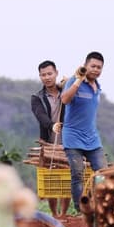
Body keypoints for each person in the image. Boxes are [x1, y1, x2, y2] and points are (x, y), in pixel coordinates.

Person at [56, 51, 107, 212]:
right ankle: (81, 209)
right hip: (73, 137)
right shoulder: (74, 80)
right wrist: (78, 80)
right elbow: (64, 99)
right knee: (77, 175)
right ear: (85, 66)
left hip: (92, 138)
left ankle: (100, 205)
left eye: (99, 67)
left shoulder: (97, 87)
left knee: (104, 173)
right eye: (93, 66)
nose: (96, 70)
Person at [31, 60, 70, 217]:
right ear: (40, 76)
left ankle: (64, 213)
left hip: (68, 141)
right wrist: (51, 125)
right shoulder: (37, 97)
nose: (46, 77)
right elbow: (40, 115)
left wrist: (70, 83)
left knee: (67, 178)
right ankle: (54, 214)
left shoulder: (66, 92)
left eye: (49, 74)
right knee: (52, 179)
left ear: (56, 73)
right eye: (43, 74)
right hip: (48, 143)